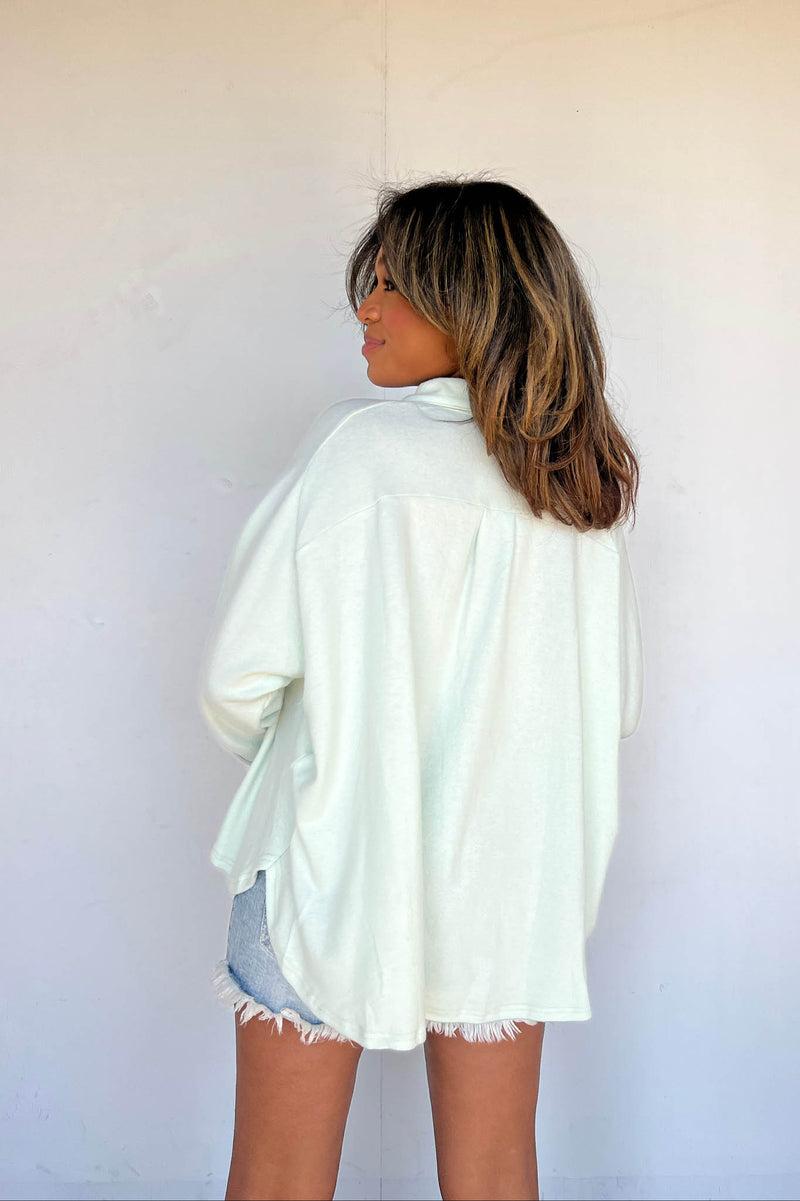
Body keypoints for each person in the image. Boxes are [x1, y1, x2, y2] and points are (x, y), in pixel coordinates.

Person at [197, 174, 644, 1201]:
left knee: (278, 1179)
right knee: (494, 1175)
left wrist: (330, 757)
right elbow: (609, 709)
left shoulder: (358, 452)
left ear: (469, 299)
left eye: (393, 284)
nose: (366, 307)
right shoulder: (574, 493)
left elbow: (237, 679)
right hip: (509, 886)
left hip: (327, 868)